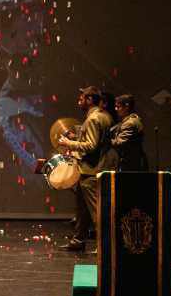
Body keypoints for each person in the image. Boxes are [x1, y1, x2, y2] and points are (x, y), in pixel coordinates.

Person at [57, 86, 113, 251]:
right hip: (91, 169)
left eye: (81, 99)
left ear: (90, 100)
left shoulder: (93, 119)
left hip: (92, 170)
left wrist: (69, 143)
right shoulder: (104, 115)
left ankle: (104, 245)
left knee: (96, 210)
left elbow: (91, 145)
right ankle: (78, 240)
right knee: (82, 209)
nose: (78, 102)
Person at [110, 93, 147, 171]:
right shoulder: (130, 121)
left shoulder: (130, 123)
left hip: (130, 164)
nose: (116, 109)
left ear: (126, 107)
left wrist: (105, 140)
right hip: (131, 162)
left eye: (118, 106)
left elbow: (119, 143)